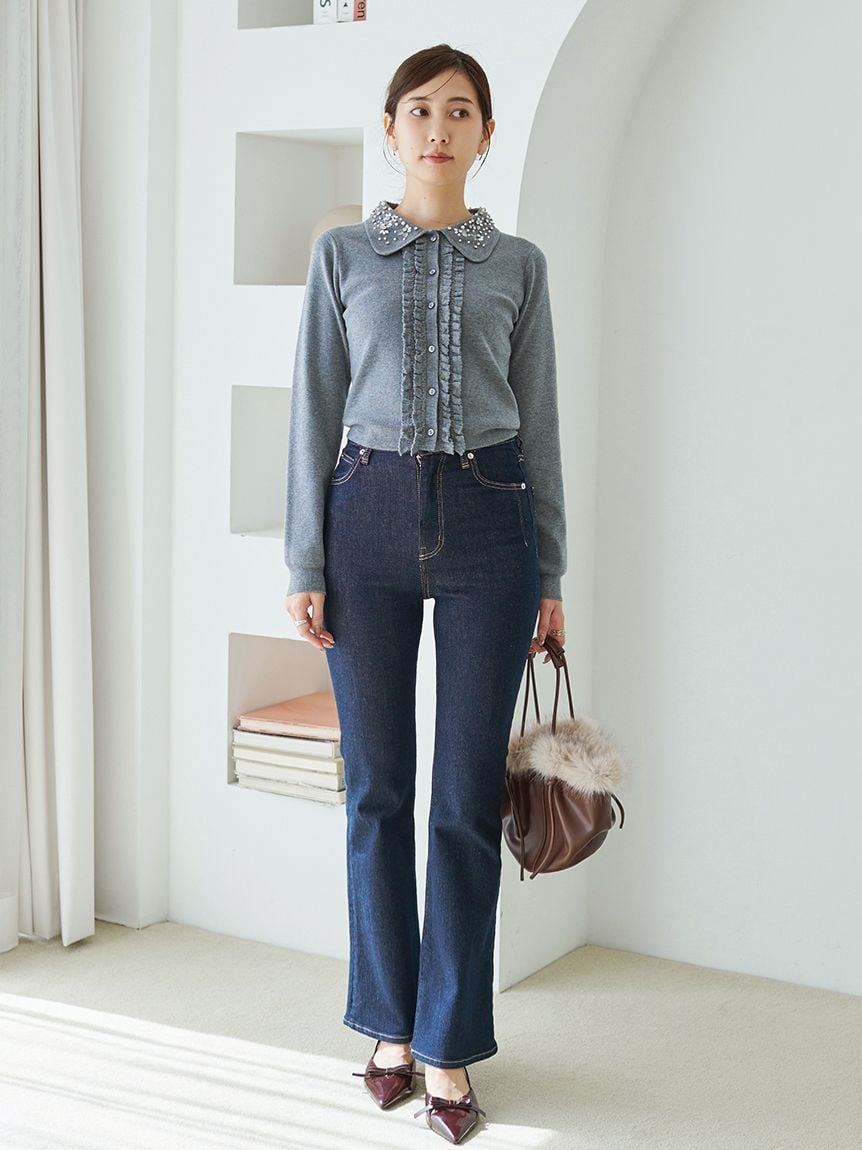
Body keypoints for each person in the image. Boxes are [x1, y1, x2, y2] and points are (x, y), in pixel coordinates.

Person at [283, 42, 567, 1145]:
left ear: (486, 135)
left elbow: (540, 424)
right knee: (376, 792)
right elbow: (313, 411)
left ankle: (448, 1041)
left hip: (493, 520)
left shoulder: (521, 265)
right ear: (391, 128)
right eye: (419, 109)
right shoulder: (343, 254)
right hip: (366, 517)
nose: (438, 128)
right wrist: (306, 562)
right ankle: (386, 1028)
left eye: (459, 111)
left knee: (464, 799)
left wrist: (551, 573)